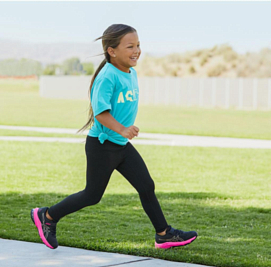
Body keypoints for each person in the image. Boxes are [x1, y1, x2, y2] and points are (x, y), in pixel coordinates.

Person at [31, 24, 197, 250]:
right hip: (103, 145)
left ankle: (164, 234)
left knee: (146, 185)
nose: (136, 50)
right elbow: (100, 112)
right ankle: (47, 216)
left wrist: (123, 133)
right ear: (112, 51)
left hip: (120, 144)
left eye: (138, 45)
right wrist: (122, 129)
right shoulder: (108, 76)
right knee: (92, 195)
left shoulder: (131, 72)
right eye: (130, 46)